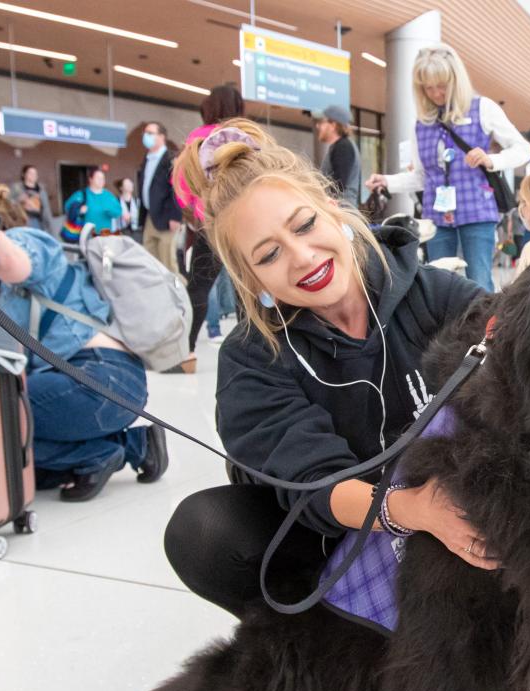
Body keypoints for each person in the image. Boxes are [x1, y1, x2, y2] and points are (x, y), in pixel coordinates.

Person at [163, 119, 492, 616]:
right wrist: (413, 510)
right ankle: (319, 632)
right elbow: (312, 483)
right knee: (203, 530)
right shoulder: (252, 357)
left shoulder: (433, 294)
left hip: (460, 518)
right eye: (269, 254)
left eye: (304, 225)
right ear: (251, 280)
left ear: (333, 210)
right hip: (337, 538)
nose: (302, 256)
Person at [0, 171, 170, 500]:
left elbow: (8, 260)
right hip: (86, 393)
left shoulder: (29, 242)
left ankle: (96, 455)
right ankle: (137, 445)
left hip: (101, 377)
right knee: (17, 459)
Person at [366, 43, 530, 293]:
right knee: (438, 282)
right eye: (428, 88)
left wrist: (490, 159)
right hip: (437, 216)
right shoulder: (421, 124)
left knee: (478, 282)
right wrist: (388, 182)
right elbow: (422, 177)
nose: (435, 93)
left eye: (441, 85)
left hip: (477, 212)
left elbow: (522, 149)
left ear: (456, 80)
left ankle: (482, 332)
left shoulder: (482, 108)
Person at [174, 84, 245, 372]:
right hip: (244, 222)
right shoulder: (247, 136)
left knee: (199, 288)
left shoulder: (198, 140)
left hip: (211, 222)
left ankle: (185, 353)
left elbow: (182, 183)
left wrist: (193, 207)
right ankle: (256, 356)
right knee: (249, 290)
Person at [137, 121, 184, 273]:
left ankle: (178, 295)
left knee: (168, 264)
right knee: (150, 261)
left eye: (150, 133)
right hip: (150, 216)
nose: (146, 136)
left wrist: (176, 216)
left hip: (167, 216)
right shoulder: (147, 159)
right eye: (145, 133)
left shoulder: (170, 158)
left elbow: (178, 188)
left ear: (161, 137)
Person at [315, 104, 361, 209]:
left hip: (341, 214)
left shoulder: (343, 147)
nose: (318, 126)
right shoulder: (341, 146)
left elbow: (338, 186)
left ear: (333, 125)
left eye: (322, 122)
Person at [63, 168, 121, 234]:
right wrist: (78, 211)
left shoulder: (109, 195)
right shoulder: (81, 194)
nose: (101, 181)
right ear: (90, 179)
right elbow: (67, 208)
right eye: (98, 178)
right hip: (85, 235)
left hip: (104, 235)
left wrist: (111, 211)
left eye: (103, 178)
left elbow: (118, 212)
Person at [10, 164, 53, 232]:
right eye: (30, 173)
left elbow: (46, 210)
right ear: (23, 174)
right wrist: (18, 200)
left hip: (38, 221)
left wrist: (50, 228)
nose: (33, 175)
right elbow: (7, 204)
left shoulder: (41, 190)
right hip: (22, 221)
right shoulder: (16, 188)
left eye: (35, 173)